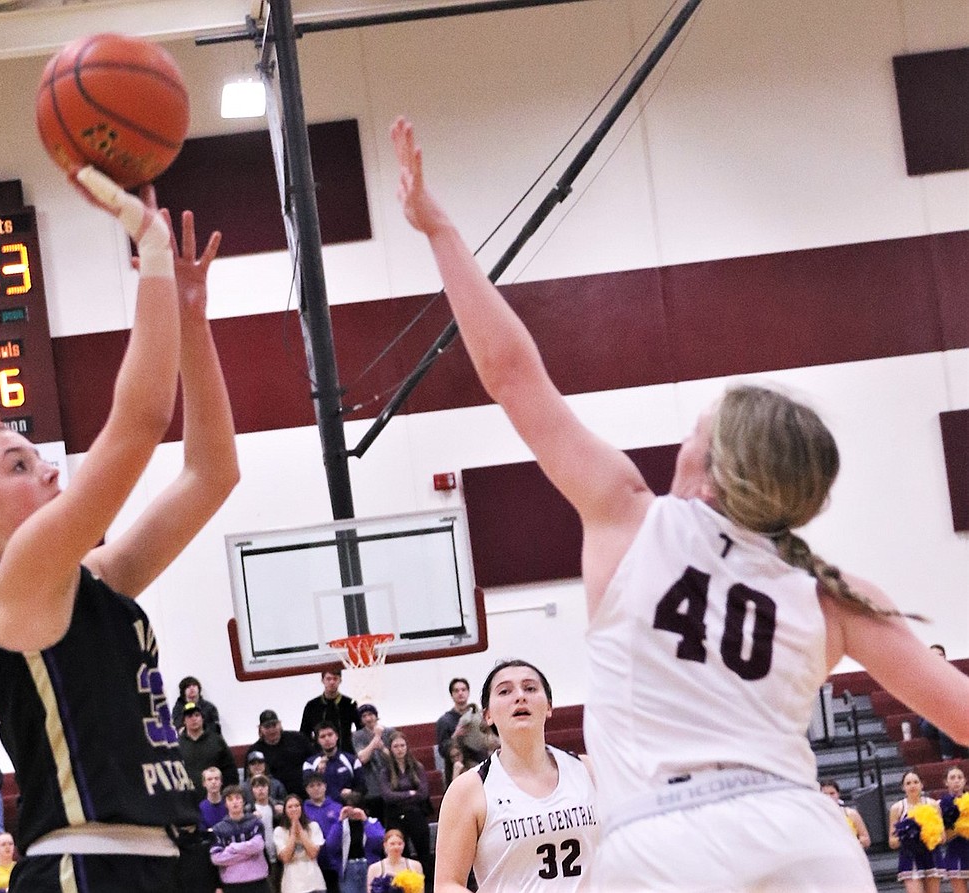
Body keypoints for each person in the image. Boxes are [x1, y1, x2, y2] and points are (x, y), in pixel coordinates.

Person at [391, 116, 969, 891]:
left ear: (709, 468)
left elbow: (510, 373)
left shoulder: (628, 513)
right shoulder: (834, 594)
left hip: (662, 849)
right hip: (802, 837)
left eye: (696, 428)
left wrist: (439, 231)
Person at [0, 167, 238, 891]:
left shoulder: (87, 579)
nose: (50, 472)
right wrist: (153, 256)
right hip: (83, 865)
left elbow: (212, 474)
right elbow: (138, 424)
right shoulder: (15, 586)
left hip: (163, 860)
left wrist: (192, 322)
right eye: (19, 464)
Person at [434, 659, 598, 892]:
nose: (520, 696)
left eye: (530, 688)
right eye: (505, 691)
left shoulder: (588, 771)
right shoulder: (469, 789)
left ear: (549, 706)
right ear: (487, 715)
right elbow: (447, 885)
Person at [377, 731, 432, 879]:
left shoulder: (417, 767)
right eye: (396, 746)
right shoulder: (385, 771)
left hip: (416, 814)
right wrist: (410, 794)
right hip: (395, 816)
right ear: (390, 749)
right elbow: (387, 796)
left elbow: (423, 793)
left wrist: (401, 796)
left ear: (407, 747)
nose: (400, 749)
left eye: (402, 745)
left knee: (423, 854)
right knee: (402, 854)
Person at [890, 770, 942, 893]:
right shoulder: (897, 808)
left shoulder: (933, 805)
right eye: (908, 783)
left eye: (915, 782)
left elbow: (942, 837)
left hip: (931, 854)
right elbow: (892, 842)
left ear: (921, 784)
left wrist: (928, 834)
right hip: (910, 857)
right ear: (903, 787)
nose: (912, 786)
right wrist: (908, 837)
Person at [212, 784, 271, 893]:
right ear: (225, 803)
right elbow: (217, 858)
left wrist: (232, 848)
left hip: (258, 882)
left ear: (243, 801)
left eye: (238, 798)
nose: (235, 802)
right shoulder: (218, 829)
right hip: (233, 885)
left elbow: (258, 846)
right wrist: (249, 852)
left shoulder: (255, 822)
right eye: (230, 799)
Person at [322, 792, 384, 893]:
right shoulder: (340, 825)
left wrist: (365, 821)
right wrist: (340, 820)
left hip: (368, 866)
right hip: (348, 868)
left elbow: (378, 841)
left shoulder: (372, 822)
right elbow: (331, 846)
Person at [179, 700, 240, 799]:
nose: (194, 719)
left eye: (197, 715)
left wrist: (228, 795)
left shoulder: (217, 741)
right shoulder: (178, 745)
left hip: (215, 800)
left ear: (202, 718)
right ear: (184, 721)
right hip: (188, 801)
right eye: (189, 716)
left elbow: (230, 770)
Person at [918, 647, 969, 760]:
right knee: (944, 723)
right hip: (930, 722)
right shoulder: (921, 679)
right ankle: (948, 760)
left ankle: (955, 760)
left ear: (945, 658)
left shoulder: (954, 676)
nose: (938, 658)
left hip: (952, 719)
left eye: (941, 655)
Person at [274, 793, 326, 893]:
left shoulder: (313, 826)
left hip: (315, 883)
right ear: (285, 810)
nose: (294, 809)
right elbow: (285, 857)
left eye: (297, 806)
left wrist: (300, 829)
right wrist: (293, 831)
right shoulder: (279, 831)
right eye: (290, 807)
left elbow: (313, 853)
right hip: (292, 885)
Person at [255, 710, 314, 797]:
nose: (271, 730)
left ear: (280, 724)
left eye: (274, 725)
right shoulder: (256, 751)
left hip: (306, 792)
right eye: (267, 727)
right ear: (260, 729)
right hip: (276, 798)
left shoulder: (298, 738)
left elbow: (313, 760)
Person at [303, 721, 365, 804]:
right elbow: (307, 788)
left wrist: (352, 793)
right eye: (322, 736)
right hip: (321, 810)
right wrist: (318, 773)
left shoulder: (352, 760)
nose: (327, 739)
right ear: (317, 740)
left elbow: (362, 787)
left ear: (336, 736)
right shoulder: (309, 764)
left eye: (330, 734)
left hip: (346, 808)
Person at [299, 668, 360, 753]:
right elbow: (304, 733)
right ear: (322, 680)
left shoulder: (350, 704)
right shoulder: (312, 706)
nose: (332, 682)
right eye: (328, 679)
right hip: (319, 755)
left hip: (345, 752)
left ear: (340, 680)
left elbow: (360, 728)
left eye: (335, 679)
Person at [301, 772, 343, 893]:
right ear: (306, 790)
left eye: (319, 785)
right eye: (311, 786)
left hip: (335, 863)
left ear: (325, 786)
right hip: (313, 863)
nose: (316, 789)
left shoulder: (337, 807)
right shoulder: (303, 810)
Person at [352, 704, 396, 818]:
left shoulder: (390, 732)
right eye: (364, 716)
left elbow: (395, 758)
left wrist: (382, 748)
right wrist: (376, 737)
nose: (368, 718)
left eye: (370, 714)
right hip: (371, 786)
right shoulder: (358, 736)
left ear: (376, 716)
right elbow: (362, 758)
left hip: (391, 782)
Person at [818, 779, 870, 850]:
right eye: (825, 794)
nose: (829, 797)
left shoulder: (851, 814)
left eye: (832, 793)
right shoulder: (814, 816)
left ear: (838, 794)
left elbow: (866, 839)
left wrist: (855, 845)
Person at [434, 678, 473, 772]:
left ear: (468, 692)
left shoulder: (477, 716)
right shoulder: (444, 721)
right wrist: (455, 736)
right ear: (452, 695)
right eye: (456, 691)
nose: (460, 693)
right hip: (457, 770)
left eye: (463, 690)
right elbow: (442, 751)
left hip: (479, 763)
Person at [941, 765, 969, 893]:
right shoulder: (941, 805)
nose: (956, 780)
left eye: (959, 777)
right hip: (955, 852)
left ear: (965, 781)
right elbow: (943, 837)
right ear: (946, 782)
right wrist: (959, 828)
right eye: (952, 778)